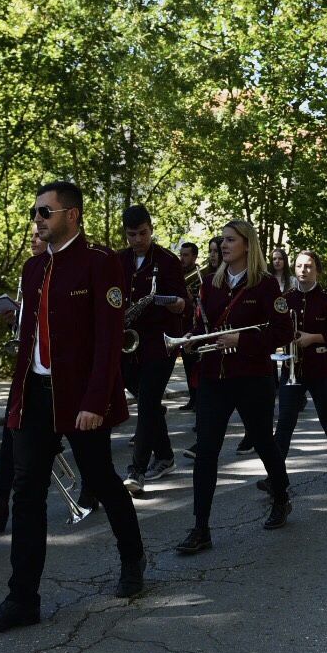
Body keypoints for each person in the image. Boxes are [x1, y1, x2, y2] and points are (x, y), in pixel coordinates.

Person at [0, 181, 146, 633]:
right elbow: (30, 341)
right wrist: (16, 399)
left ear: (73, 215)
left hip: (81, 396)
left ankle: (133, 559)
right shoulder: (32, 269)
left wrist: (95, 401)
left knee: (101, 479)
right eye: (35, 212)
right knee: (27, 493)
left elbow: (109, 342)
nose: (38, 219)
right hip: (36, 394)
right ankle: (22, 599)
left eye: (46, 211)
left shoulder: (100, 262)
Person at [178, 219, 295, 554]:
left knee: (262, 441)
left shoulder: (266, 285)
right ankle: (201, 528)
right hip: (215, 377)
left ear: (247, 244)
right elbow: (201, 325)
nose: (223, 246)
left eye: (230, 240)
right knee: (206, 450)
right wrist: (190, 339)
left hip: (253, 376)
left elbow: (283, 332)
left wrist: (243, 338)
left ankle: (281, 495)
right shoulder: (209, 285)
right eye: (222, 241)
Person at [118, 204, 188, 497]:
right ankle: (166, 456)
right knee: (148, 402)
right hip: (126, 343)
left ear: (151, 228)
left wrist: (172, 302)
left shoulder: (167, 261)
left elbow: (184, 303)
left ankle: (137, 471)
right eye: (132, 235)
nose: (138, 240)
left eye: (143, 233)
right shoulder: (117, 260)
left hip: (158, 344)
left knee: (147, 403)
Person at [0, 233, 47, 535]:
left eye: (39, 234)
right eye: (32, 234)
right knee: (12, 430)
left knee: (77, 440)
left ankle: (91, 488)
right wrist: (14, 318)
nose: (34, 239)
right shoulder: (30, 267)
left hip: (57, 370)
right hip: (27, 368)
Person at [271, 250, 327, 485]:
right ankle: (275, 475)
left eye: (308, 266)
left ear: (317, 270)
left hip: (320, 369)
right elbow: (275, 329)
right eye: (299, 266)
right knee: (284, 422)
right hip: (291, 368)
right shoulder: (285, 299)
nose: (303, 270)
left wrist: (313, 338)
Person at [175, 241, 202, 412]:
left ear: (194, 256)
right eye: (181, 254)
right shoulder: (179, 274)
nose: (182, 258)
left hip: (195, 326)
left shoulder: (199, 275)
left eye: (186, 255)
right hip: (182, 326)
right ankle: (193, 398)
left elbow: (201, 302)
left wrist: (191, 298)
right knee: (187, 364)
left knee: (195, 366)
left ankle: (199, 399)